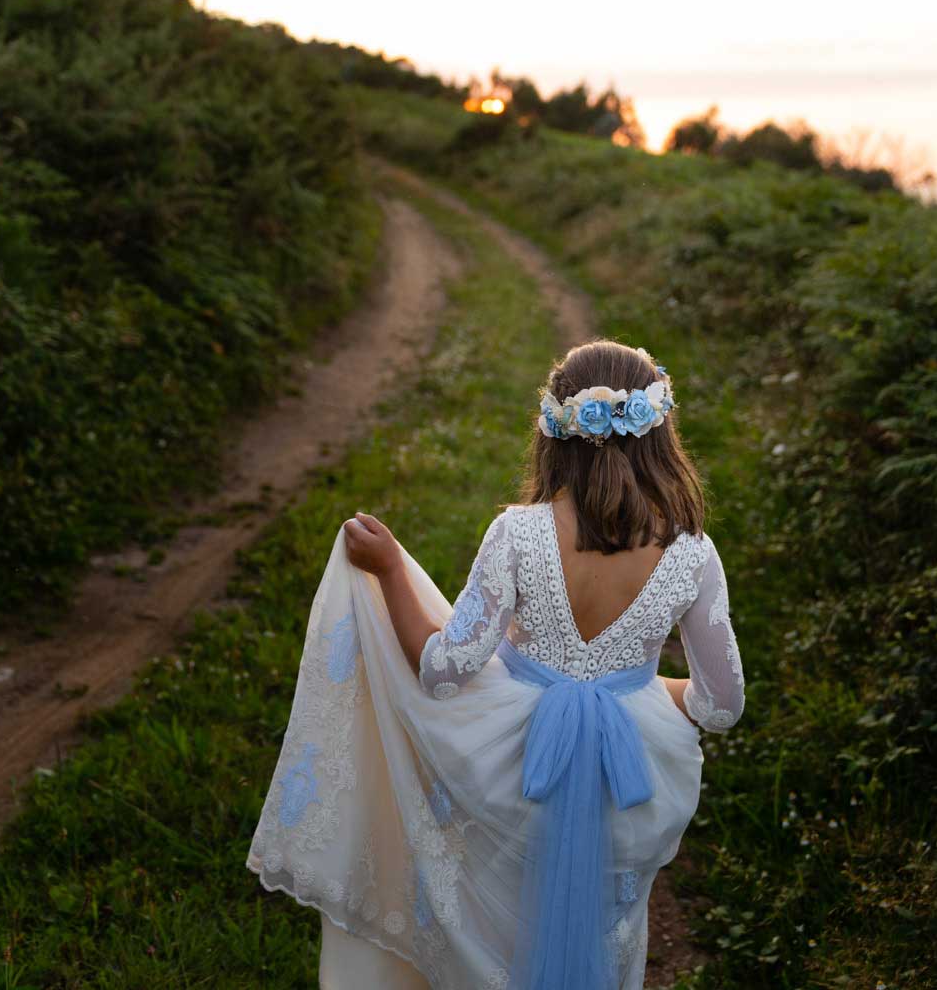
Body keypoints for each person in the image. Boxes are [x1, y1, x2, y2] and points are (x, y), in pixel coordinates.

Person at [247, 339, 747, 990]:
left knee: (501, 913)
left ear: (554, 434)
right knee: (603, 926)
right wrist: (644, 692)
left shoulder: (518, 533)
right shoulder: (692, 552)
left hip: (515, 764)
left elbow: (444, 670)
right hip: (627, 777)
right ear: (660, 435)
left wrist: (390, 569)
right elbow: (720, 706)